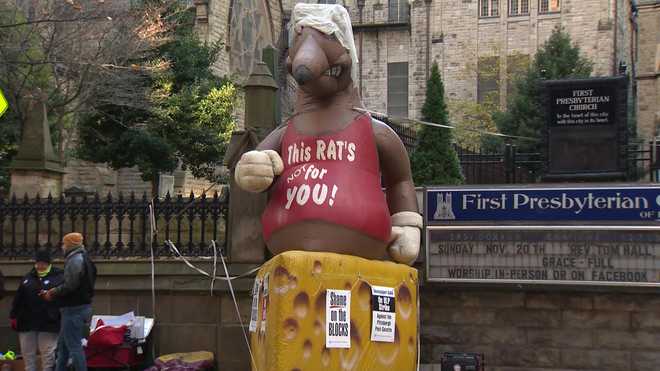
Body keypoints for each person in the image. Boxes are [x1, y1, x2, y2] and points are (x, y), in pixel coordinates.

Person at [41, 233, 96, 371]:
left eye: (64, 244)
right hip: (80, 307)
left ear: (70, 245)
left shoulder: (75, 260)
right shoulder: (85, 259)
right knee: (63, 346)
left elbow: (70, 285)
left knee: (74, 346)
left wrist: (52, 292)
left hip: (73, 309)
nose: (62, 246)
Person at [9, 248, 64, 371]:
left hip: (49, 321)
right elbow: (19, 298)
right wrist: (13, 315)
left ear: (49, 263)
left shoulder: (59, 277)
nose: (40, 266)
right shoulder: (28, 278)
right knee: (28, 353)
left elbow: (63, 297)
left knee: (48, 352)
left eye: (43, 263)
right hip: (27, 321)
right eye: (38, 263)